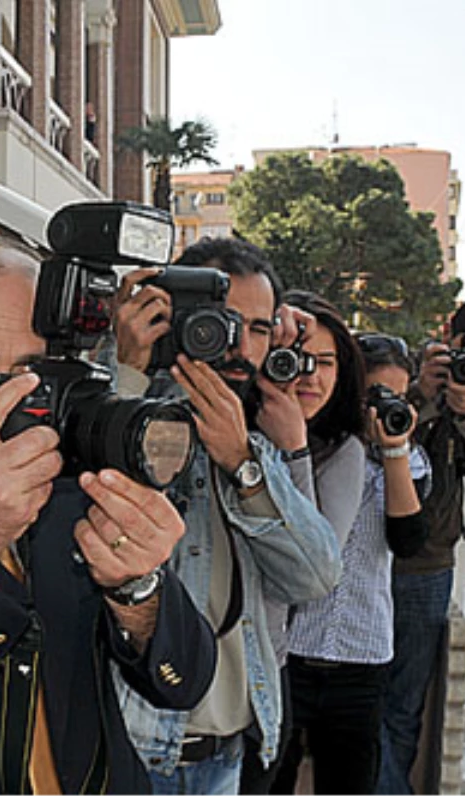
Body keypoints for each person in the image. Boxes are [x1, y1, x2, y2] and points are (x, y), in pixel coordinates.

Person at [0, 236, 217, 794]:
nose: (4, 398)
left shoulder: (77, 484)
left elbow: (183, 683)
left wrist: (138, 593)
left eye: (32, 369)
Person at [110, 237, 342, 796]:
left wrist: (243, 462)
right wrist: (127, 375)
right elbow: (91, 522)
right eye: (224, 321)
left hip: (229, 755)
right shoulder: (124, 408)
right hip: (133, 748)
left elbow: (315, 577)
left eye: (260, 328)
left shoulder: (250, 441)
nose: (239, 344)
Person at [269, 320, 430, 796]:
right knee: (273, 778)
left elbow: (408, 540)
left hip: (362, 655)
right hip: (293, 649)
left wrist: (394, 450)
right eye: (375, 396)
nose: (384, 409)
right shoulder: (308, 446)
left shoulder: (408, 463)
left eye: (397, 399)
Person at [376, 290, 465, 796]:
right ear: (449, 330)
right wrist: (419, 396)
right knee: (351, 701)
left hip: (425, 567)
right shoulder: (399, 370)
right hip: (362, 559)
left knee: (401, 710)